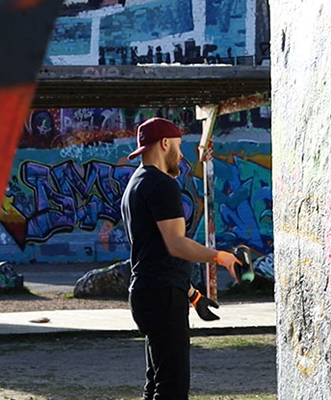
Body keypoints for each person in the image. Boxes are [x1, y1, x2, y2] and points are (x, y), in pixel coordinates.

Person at [121, 117, 240, 400]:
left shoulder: (135, 184)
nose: (181, 154)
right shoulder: (162, 184)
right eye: (178, 145)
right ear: (164, 143)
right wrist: (221, 257)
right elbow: (175, 244)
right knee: (172, 389)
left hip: (148, 293)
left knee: (157, 384)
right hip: (162, 296)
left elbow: (154, 253)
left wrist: (193, 295)